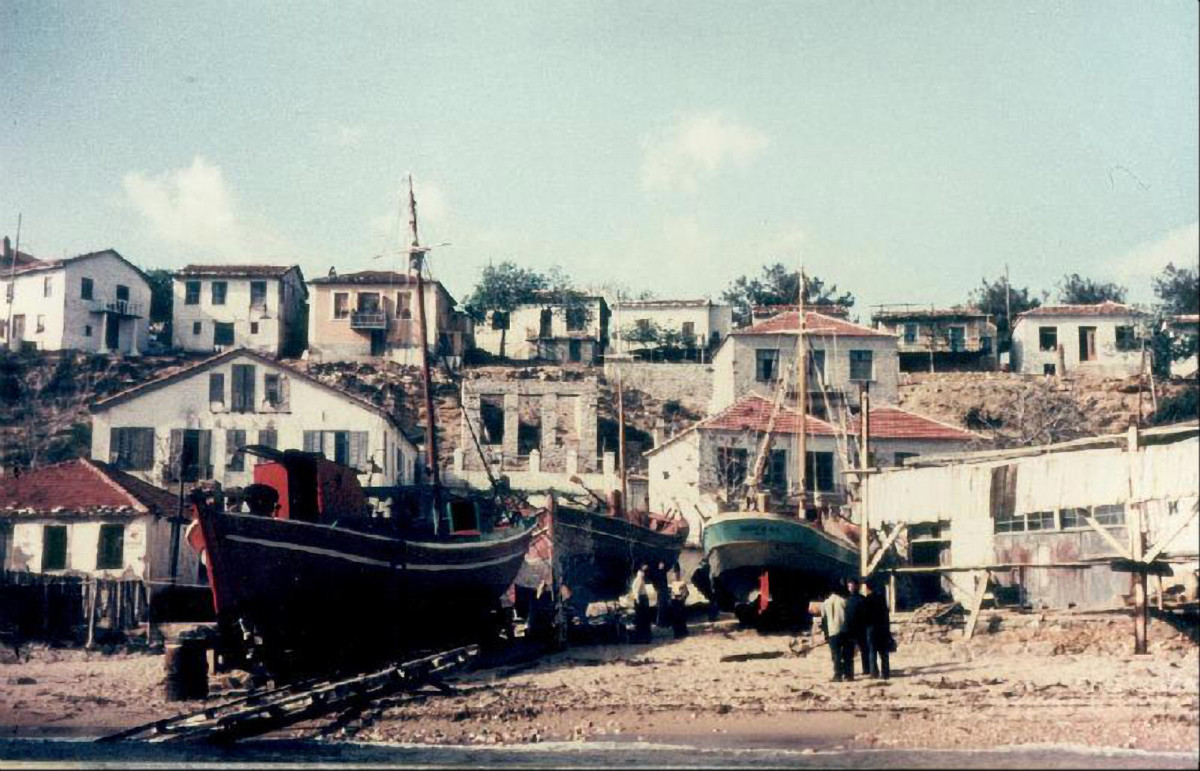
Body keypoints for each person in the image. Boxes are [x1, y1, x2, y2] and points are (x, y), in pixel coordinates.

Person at [862, 581, 892, 679]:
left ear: (867, 588)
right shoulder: (881, 598)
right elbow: (886, 614)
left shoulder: (867, 600)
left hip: (871, 628)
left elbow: (865, 616)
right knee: (883, 652)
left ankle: (874, 673)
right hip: (882, 627)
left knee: (872, 651)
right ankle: (885, 673)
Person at [819, 586, 848, 682]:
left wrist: (826, 635)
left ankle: (837, 674)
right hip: (842, 630)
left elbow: (824, 620)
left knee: (835, 654)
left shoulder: (825, 603)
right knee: (844, 653)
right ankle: (845, 673)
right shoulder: (843, 601)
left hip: (832, 632)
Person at [842, 577, 867, 681]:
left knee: (864, 650)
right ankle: (849, 673)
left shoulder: (860, 599)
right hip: (852, 629)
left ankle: (866, 669)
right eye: (848, 585)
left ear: (857, 586)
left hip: (858, 628)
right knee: (850, 653)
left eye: (851, 585)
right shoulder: (847, 600)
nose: (850, 587)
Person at [630, 563, 652, 643]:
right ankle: (643, 637)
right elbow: (636, 589)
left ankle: (644, 637)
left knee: (643, 618)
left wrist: (637, 599)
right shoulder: (639, 577)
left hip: (642, 598)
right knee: (642, 618)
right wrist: (637, 598)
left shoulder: (640, 577)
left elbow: (637, 590)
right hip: (641, 598)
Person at [668, 563, 690, 639]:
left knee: (681, 617)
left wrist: (682, 598)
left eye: (677, 572)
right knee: (675, 618)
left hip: (680, 600)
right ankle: (677, 633)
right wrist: (672, 597)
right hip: (674, 601)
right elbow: (671, 593)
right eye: (675, 572)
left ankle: (683, 632)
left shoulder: (682, 582)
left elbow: (687, 592)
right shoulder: (672, 583)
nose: (676, 574)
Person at [653, 561, 671, 628]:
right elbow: (656, 583)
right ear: (659, 565)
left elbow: (664, 582)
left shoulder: (663, 572)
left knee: (664, 608)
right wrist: (658, 589)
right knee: (661, 608)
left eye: (663, 564)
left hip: (663, 591)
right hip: (661, 592)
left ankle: (664, 623)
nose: (662, 565)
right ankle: (660, 623)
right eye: (661, 564)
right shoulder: (658, 573)